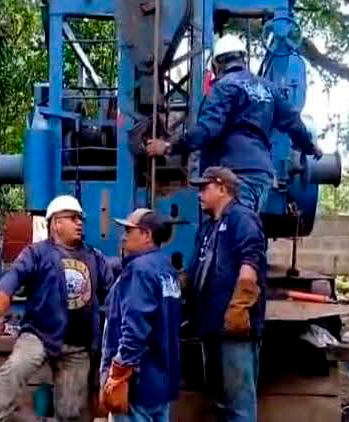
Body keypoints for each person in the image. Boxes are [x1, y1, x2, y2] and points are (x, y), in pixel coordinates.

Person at [0, 194, 114, 422]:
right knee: (14, 370)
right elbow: (16, 273)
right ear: (56, 223)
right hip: (39, 335)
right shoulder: (37, 253)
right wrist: (1, 295)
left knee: (72, 411)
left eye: (80, 219)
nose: (79, 223)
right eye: (73, 218)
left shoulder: (94, 257)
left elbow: (112, 292)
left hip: (78, 345)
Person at [146, 34, 323, 213]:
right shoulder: (269, 89)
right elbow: (294, 123)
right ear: (243, 59)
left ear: (217, 64)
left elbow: (207, 129)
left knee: (233, 226)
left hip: (234, 174)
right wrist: (309, 147)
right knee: (245, 223)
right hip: (262, 175)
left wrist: (169, 147)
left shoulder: (224, 87)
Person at [186, 166, 267, 422]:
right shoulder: (208, 228)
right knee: (219, 402)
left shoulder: (242, 219)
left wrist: (239, 307)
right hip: (211, 327)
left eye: (204, 188)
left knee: (239, 406)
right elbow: (196, 271)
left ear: (222, 189)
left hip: (233, 329)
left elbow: (250, 262)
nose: (199, 194)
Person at [100, 208, 181, 422]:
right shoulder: (166, 269)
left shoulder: (140, 270)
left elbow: (135, 328)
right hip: (161, 383)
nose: (123, 237)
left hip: (137, 384)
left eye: (129, 231)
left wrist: (119, 372)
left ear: (146, 235)